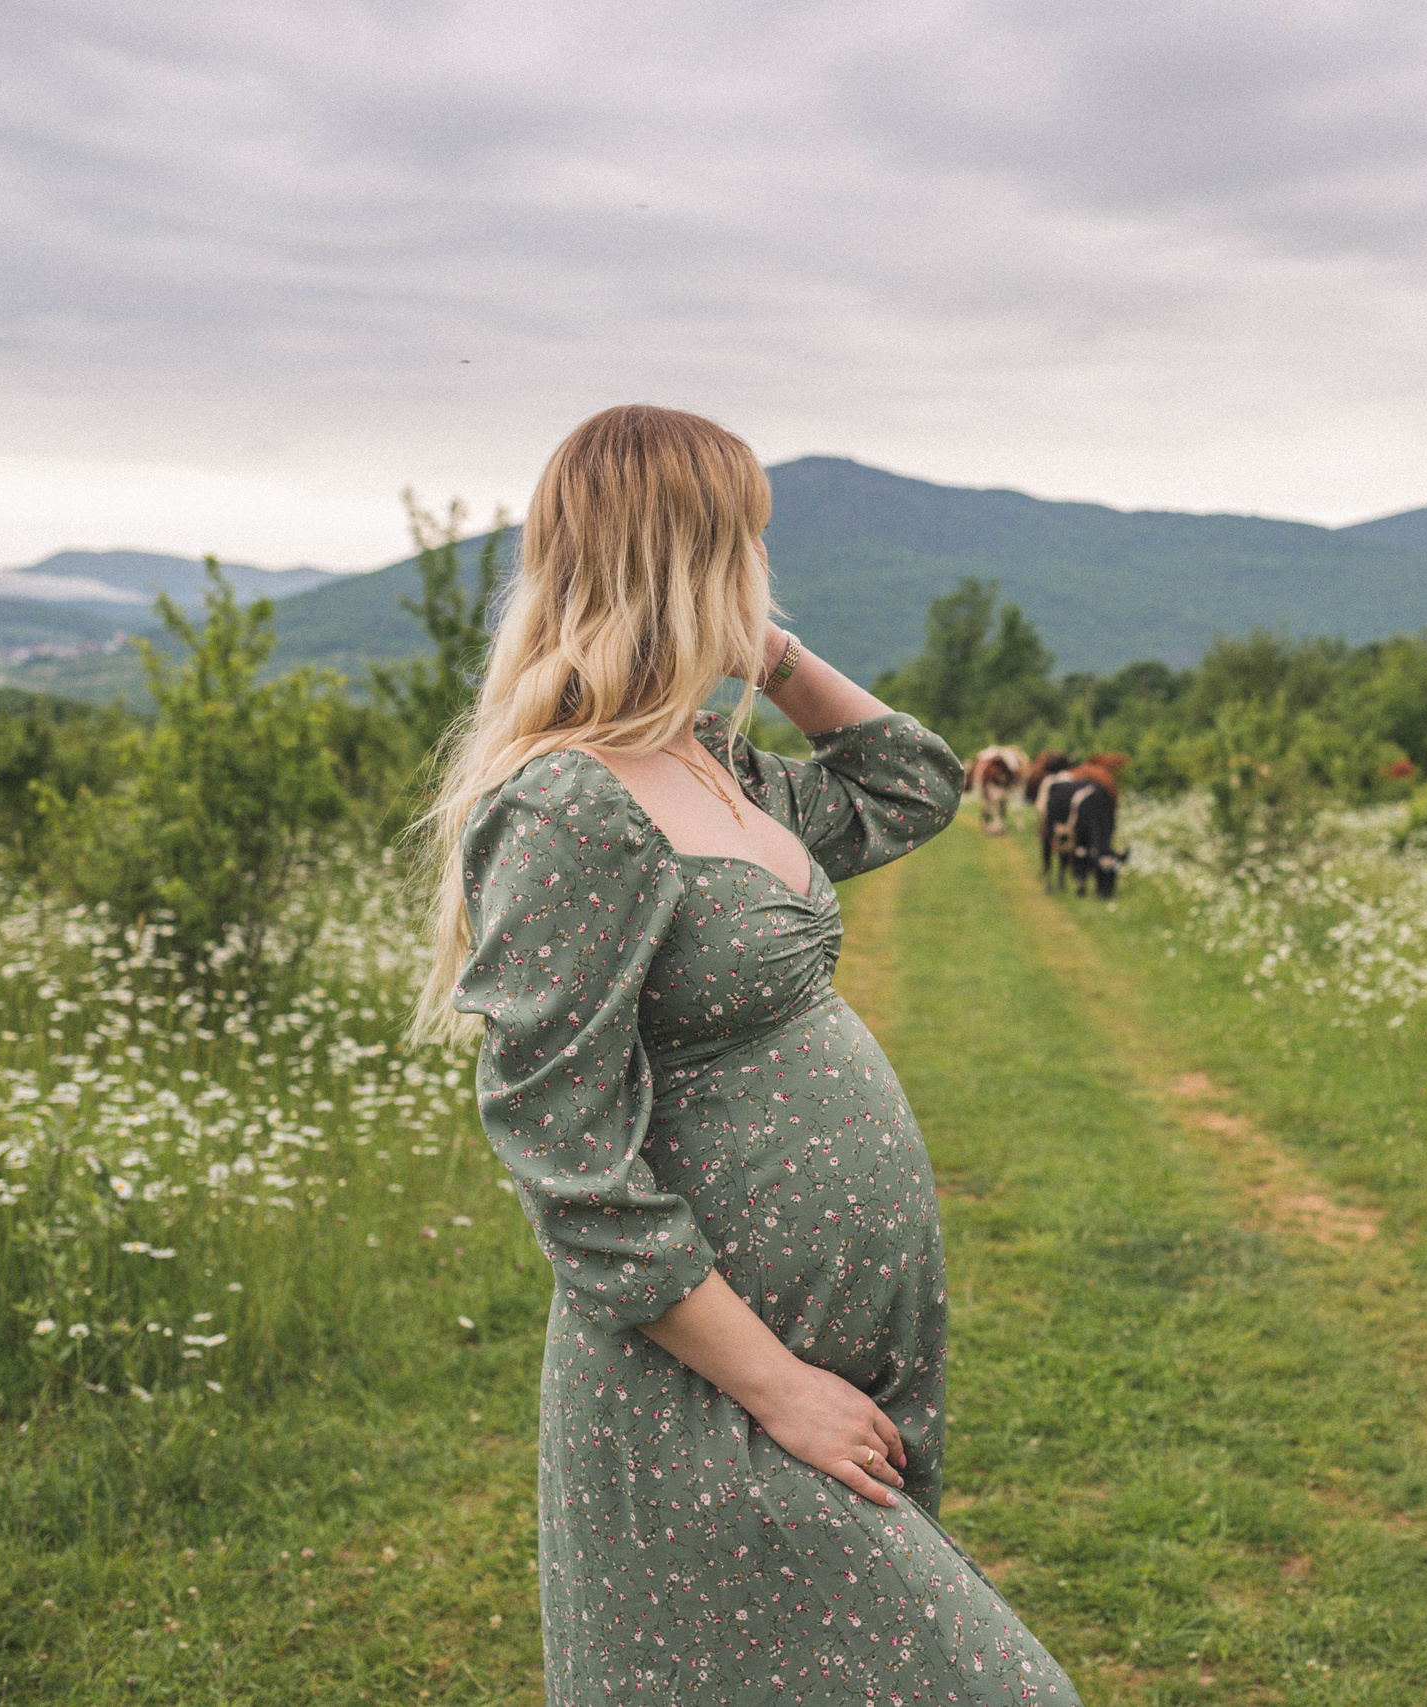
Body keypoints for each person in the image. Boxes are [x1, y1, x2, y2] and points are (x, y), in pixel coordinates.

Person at [411, 405, 1080, 1703]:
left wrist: (768, 659)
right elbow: (569, 1169)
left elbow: (910, 785)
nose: (765, 574)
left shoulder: (712, 762)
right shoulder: (573, 806)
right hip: (710, 1391)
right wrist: (778, 1389)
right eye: (748, 548)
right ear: (691, 557)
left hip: (815, 1356)